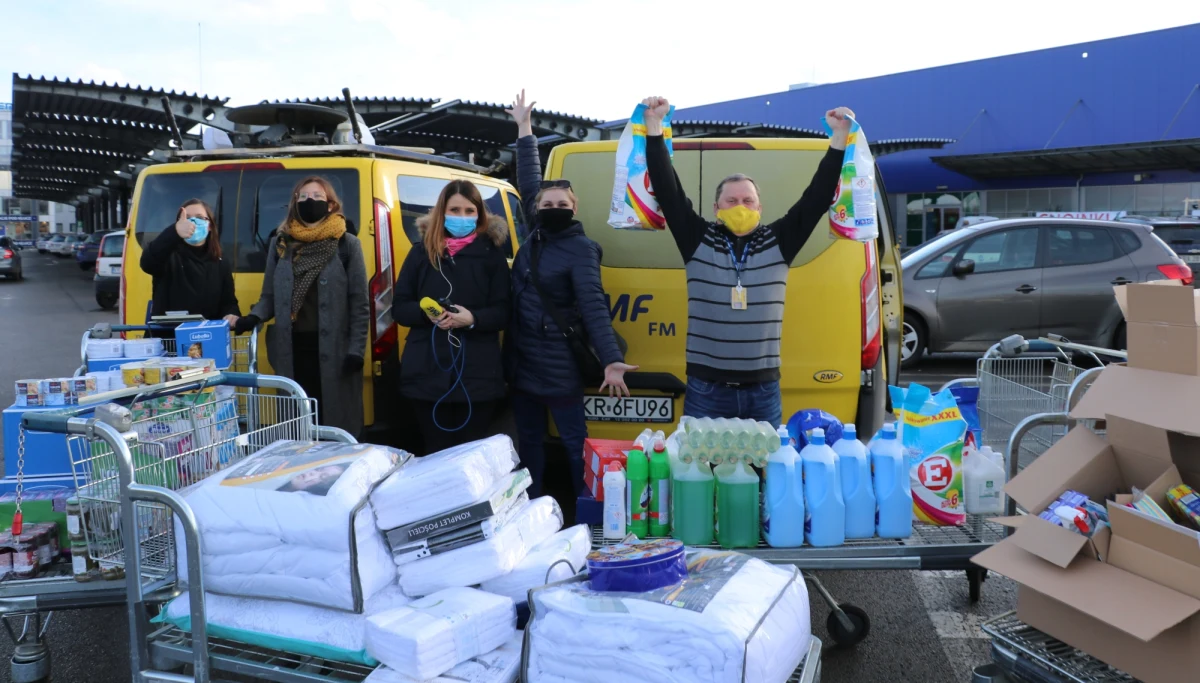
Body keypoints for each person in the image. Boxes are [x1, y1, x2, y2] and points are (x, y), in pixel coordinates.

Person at [641, 96, 852, 427]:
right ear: (716, 207)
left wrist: (839, 138)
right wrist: (654, 126)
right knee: (700, 474)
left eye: (748, 200)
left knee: (763, 476)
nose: (740, 205)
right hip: (706, 388)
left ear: (759, 207)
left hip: (762, 391)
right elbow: (667, 189)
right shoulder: (696, 238)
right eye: (732, 200)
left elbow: (817, 197)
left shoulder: (780, 241)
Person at [505, 90, 637, 497]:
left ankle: (585, 515)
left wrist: (611, 361)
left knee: (573, 444)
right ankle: (532, 509)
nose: (553, 206)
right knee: (528, 447)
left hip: (560, 368)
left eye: (562, 202)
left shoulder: (581, 249)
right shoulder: (536, 232)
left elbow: (594, 307)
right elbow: (529, 179)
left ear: (573, 208)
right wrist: (525, 128)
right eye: (548, 202)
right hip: (522, 361)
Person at [228, 176, 370, 437]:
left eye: (317, 196)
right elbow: (269, 295)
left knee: (335, 424)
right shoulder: (280, 244)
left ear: (330, 205)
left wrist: (356, 350)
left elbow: (359, 303)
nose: (309, 202)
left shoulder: (347, 244)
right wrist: (253, 317)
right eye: (303, 197)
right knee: (297, 424)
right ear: (294, 203)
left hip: (335, 351)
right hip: (292, 350)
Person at [392, 180, 511, 454]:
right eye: (455, 210)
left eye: (470, 211)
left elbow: (504, 311)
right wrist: (427, 314)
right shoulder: (420, 252)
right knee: (435, 452)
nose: (462, 217)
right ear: (441, 212)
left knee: (471, 455)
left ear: (480, 214)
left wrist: (472, 319)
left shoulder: (491, 254)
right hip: (427, 372)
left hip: (478, 374)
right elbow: (400, 307)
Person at [139, 199, 239, 331]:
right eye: (188, 218)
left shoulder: (220, 261)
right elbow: (147, 262)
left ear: (209, 226)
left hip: (207, 338)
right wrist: (173, 232)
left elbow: (228, 301)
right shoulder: (168, 254)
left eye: (199, 218)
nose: (193, 222)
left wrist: (231, 314)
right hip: (169, 337)